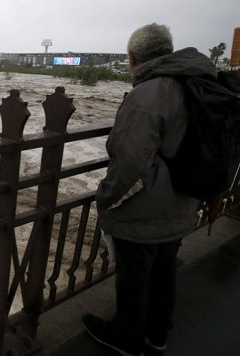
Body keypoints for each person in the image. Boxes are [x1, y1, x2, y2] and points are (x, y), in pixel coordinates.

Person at [82, 23, 217, 356]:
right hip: (184, 203)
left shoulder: (148, 94)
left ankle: (127, 340)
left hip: (146, 212)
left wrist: (106, 198)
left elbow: (129, 162)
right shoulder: (197, 84)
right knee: (164, 272)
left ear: (132, 58)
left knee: (134, 278)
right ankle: (157, 335)